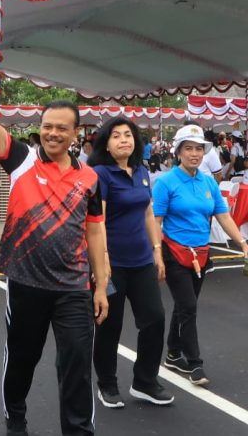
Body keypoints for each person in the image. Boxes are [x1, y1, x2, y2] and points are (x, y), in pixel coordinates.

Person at [0, 50, 109, 436]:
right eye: (47, 126)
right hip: (27, 283)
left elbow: (95, 231)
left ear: (75, 134)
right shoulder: (21, 160)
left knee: (77, 365)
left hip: (74, 287)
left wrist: (101, 285)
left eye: (62, 128)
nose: (53, 133)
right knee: (22, 359)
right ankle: (16, 417)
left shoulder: (90, 179)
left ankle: (78, 430)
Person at [154, 125, 248, 388]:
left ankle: (173, 354)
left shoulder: (208, 182)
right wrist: (157, 253)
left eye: (199, 149)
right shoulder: (165, 182)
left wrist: (243, 243)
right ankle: (195, 362)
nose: (194, 154)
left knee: (184, 306)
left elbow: (223, 216)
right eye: (188, 148)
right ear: (178, 152)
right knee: (188, 307)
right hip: (174, 252)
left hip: (201, 253)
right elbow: (155, 220)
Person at [86, 117, 174, 408]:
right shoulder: (101, 174)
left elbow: (148, 214)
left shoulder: (142, 172)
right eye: (116, 136)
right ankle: (107, 384)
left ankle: (145, 381)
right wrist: (103, 262)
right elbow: (97, 223)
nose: (123, 139)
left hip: (141, 261)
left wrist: (157, 251)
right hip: (111, 264)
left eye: (128, 134)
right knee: (109, 325)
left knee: (155, 319)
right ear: (106, 145)